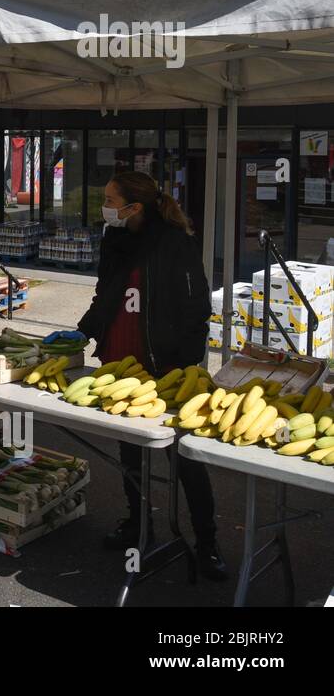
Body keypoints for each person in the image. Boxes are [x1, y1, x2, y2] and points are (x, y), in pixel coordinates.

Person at [47, 171, 225, 580]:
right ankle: (137, 524)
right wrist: (84, 329)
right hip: (119, 360)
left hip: (167, 366)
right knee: (130, 451)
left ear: (135, 206)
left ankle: (207, 540)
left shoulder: (176, 242)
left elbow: (197, 309)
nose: (104, 206)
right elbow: (104, 294)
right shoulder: (115, 238)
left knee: (185, 459)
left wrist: (186, 367)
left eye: (110, 198)